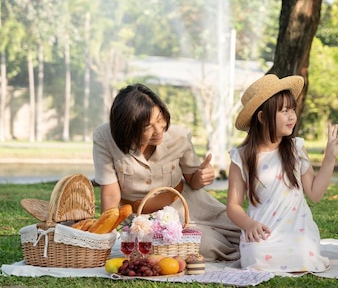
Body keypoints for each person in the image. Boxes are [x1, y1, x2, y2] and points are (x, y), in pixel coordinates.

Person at [93, 83, 241, 261]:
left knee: (243, 229)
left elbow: (192, 181)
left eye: (160, 117)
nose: (159, 129)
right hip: (145, 222)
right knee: (206, 245)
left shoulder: (179, 136)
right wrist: (102, 238)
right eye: (147, 126)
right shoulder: (105, 138)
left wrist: (201, 177)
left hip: (189, 205)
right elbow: (110, 193)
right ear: (128, 128)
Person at [226, 74, 338, 272]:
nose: (292, 116)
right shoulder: (241, 157)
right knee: (256, 256)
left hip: (296, 229)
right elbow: (233, 206)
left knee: (302, 254)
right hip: (263, 232)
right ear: (262, 117)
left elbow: (315, 193)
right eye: (284, 111)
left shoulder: (296, 148)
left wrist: (330, 158)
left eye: (292, 110)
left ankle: (302, 249)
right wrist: (249, 225)